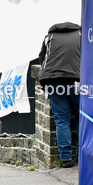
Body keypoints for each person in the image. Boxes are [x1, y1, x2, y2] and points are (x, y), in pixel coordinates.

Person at [37, 22, 82, 168]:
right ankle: (83, 155)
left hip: (53, 81)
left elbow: (42, 59)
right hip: (77, 80)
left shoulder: (48, 37)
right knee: (83, 118)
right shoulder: (81, 35)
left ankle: (66, 158)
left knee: (62, 120)